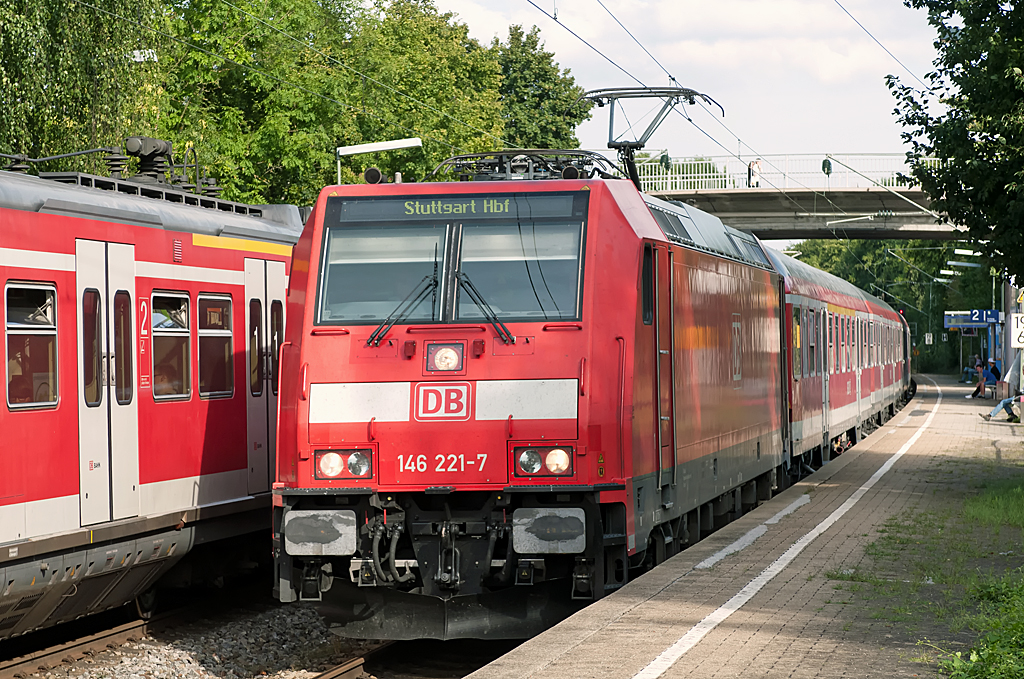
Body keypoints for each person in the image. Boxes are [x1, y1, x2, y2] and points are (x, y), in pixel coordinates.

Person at [980, 352, 1021, 422]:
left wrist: (1019, 392)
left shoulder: (993, 369)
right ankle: (1012, 415)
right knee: (1004, 402)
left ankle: (989, 416)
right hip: (1020, 396)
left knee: (1003, 402)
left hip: (1020, 396)